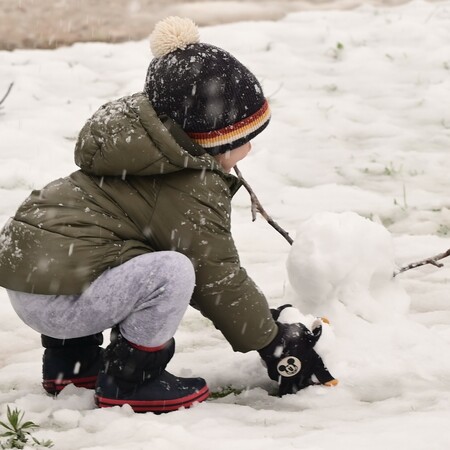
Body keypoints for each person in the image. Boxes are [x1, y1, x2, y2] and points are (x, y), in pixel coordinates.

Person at [0, 17, 336, 413]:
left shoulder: (140, 153)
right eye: (245, 139)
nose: (249, 150)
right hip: (63, 303)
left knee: (104, 249)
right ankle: (130, 381)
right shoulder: (189, 186)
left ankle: (72, 367)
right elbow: (217, 278)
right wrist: (272, 340)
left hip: (32, 283)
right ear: (217, 139)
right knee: (173, 271)